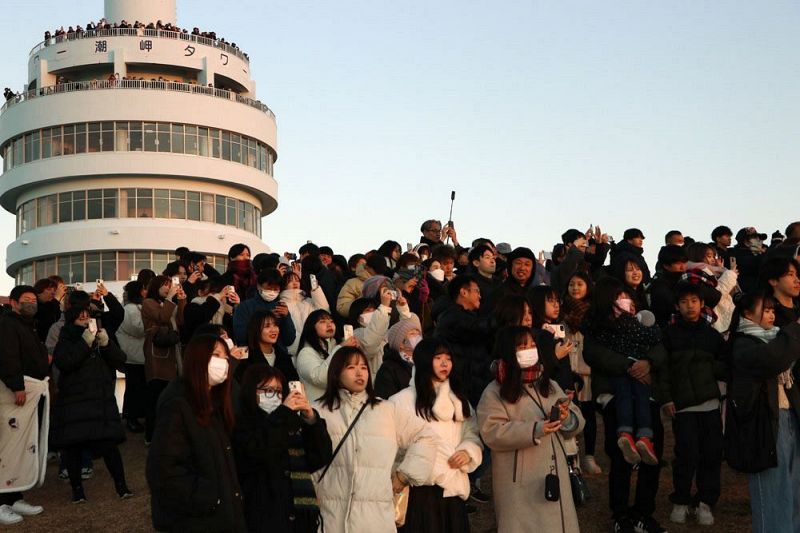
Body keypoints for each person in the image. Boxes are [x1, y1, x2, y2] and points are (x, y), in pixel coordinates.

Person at [312, 346, 437, 533]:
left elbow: (427, 437)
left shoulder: (387, 410)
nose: (360, 372)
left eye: (363, 367)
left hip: (376, 520)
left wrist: (404, 475)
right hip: (330, 518)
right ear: (336, 373)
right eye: (351, 367)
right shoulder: (317, 412)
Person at [477, 326, 584, 533]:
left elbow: (576, 419)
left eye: (532, 345)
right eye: (522, 346)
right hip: (520, 481)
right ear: (509, 350)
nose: (530, 350)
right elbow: (492, 432)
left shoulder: (548, 383)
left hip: (555, 470)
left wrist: (566, 417)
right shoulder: (494, 391)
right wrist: (534, 429)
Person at [584, 277, 667, 533]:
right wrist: (632, 365)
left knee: (652, 452)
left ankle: (644, 512)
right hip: (614, 395)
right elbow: (595, 355)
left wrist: (649, 363)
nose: (625, 300)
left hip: (645, 393)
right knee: (621, 456)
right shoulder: (597, 326)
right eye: (619, 296)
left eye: (627, 295)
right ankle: (620, 514)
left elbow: (660, 347)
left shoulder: (641, 320)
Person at [146, 334, 246, 532]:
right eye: (216, 355)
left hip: (222, 516)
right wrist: (209, 497)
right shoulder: (178, 405)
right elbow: (163, 471)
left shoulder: (215, 405)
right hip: (197, 520)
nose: (223, 362)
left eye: (226, 358)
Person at [649, 283, 727, 526]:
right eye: (684, 302)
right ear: (676, 306)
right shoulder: (668, 335)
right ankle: (681, 500)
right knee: (686, 455)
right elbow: (662, 371)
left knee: (712, 456)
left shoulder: (712, 336)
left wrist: (708, 367)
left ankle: (705, 502)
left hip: (711, 405)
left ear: (702, 304)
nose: (690, 306)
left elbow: (725, 365)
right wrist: (666, 399)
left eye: (694, 301)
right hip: (683, 407)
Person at [390, 338, 482, 532]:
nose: (444, 363)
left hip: (452, 489)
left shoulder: (459, 400)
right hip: (417, 492)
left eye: (448, 358)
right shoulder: (402, 401)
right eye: (438, 358)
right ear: (423, 361)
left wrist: (467, 451)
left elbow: (472, 432)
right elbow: (393, 446)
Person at [728, 291, 800, 533]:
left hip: (788, 417)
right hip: (764, 425)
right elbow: (771, 358)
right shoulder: (743, 343)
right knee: (774, 494)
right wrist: (796, 330)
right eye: (765, 309)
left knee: (793, 489)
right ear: (748, 314)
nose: (771, 315)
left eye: (772, 310)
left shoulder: (777, 337)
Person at [232, 364, 332, 533]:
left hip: (300, 518)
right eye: (267, 390)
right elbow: (258, 452)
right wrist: (283, 414)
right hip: (264, 516)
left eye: (279, 391)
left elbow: (320, 457)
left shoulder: (291, 423)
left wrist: (311, 419)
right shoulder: (243, 424)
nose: (275, 396)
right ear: (251, 391)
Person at [51, 301, 132, 503]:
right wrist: (84, 344)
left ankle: (121, 487)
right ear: (72, 317)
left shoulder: (99, 334)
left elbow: (121, 362)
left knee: (109, 446)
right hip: (74, 401)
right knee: (73, 448)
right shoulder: (65, 337)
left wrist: (107, 344)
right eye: (80, 315)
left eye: (87, 314)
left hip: (100, 399)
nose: (85, 318)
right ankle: (77, 490)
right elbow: (66, 363)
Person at [0, 285, 48, 525]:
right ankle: (1, 501)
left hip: (31, 394)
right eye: (26, 299)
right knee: (9, 445)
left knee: (23, 446)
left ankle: (15, 495)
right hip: (15, 393)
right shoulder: (7, 324)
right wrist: (16, 384)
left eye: (34, 300)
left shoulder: (28, 326)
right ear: (14, 302)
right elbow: (7, 356)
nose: (32, 303)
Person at [562, 271, 602, 475]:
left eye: (579, 284)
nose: (575, 288)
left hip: (587, 370)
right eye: (571, 284)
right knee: (567, 414)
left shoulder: (594, 312)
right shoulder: (560, 310)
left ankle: (589, 455)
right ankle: (572, 455)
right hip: (566, 370)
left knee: (588, 414)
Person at [142, 275, 187, 444]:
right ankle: (152, 436)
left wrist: (182, 301)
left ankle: (169, 433)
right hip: (157, 355)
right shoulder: (148, 303)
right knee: (156, 397)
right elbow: (162, 317)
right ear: (156, 287)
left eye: (170, 285)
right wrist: (170, 299)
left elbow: (181, 321)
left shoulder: (169, 302)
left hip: (173, 351)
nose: (169, 288)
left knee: (171, 396)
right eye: (165, 285)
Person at [296, 309, 358, 401]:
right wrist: (340, 349)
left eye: (331, 321)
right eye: (322, 322)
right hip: (318, 409)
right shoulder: (305, 352)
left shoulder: (336, 346)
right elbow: (320, 378)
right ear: (312, 327)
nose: (329, 324)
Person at [232, 268, 295, 346]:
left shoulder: (280, 308)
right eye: (269, 288)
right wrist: (265, 319)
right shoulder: (244, 307)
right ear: (259, 286)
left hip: (277, 354)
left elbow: (289, 340)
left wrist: (286, 317)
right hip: (253, 354)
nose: (272, 292)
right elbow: (240, 336)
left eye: (275, 289)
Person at [234, 310, 298, 384]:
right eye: (267, 326)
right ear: (256, 329)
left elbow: (294, 383)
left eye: (275, 325)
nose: (273, 330)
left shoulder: (284, 357)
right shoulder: (245, 357)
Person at [117, 280, 147, 433]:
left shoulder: (133, 308)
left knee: (136, 387)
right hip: (134, 355)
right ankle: (131, 418)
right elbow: (138, 329)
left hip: (135, 355)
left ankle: (133, 417)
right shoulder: (131, 309)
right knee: (134, 388)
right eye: (143, 289)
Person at [279, 270, 329, 356]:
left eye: (297, 280)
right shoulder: (282, 304)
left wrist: (316, 290)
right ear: (284, 284)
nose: (295, 283)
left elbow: (324, 310)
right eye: (290, 281)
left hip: (315, 345)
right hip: (293, 349)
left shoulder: (308, 301)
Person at [373, 313, 422, 399]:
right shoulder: (388, 370)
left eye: (418, 334)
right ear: (400, 344)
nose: (417, 337)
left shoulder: (424, 361)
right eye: (412, 334)